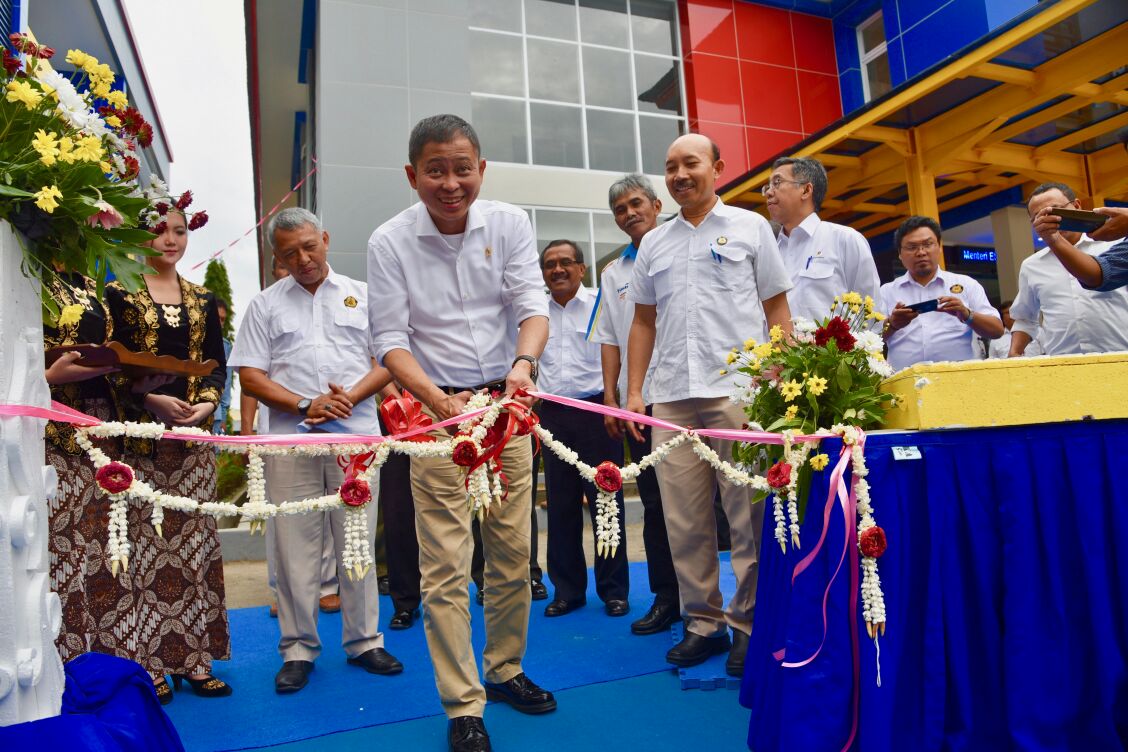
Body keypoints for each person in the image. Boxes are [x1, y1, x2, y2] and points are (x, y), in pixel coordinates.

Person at [367, 114, 553, 752]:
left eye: (462, 168)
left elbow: (532, 307)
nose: (451, 183)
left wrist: (523, 367)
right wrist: (437, 401)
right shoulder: (389, 241)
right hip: (436, 414)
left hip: (507, 407)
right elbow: (390, 340)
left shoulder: (509, 223)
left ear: (481, 168)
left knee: (511, 553)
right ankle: (461, 703)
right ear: (412, 175)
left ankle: (505, 668)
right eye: (436, 171)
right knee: (445, 565)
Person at [625, 133, 793, 678]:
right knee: (685, 519)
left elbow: (777, 308)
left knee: (746, 514)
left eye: (689, 163)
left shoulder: (751, 228)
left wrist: (778, 372)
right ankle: (703, 622)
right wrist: (633, 393)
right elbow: (643, 321)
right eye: (669, 166)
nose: (678, 175)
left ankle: (747, 623)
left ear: (717, 168)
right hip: (670, 395)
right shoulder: (654, 243)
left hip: (737, 390)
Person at [230, 207, 402, 695]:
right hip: (291, 441)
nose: (303, 258)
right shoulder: (264, 305)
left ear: (325, 238)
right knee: (294, 550)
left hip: (355, 438)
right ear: (276, 257)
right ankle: (298, 649)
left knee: (357, 544)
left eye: (310, 246)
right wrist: (308, 402)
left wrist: (349, 397)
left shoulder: (365, 296)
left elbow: (388, 359)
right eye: (290, 253)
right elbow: (251, 376)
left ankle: (365, 640)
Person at [105, 206, 232, 703]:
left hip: (191, 446)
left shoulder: (204, 298)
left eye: (179, 231)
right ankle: (150, 662)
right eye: (159, 230)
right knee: (144, 548)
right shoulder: (117, 294)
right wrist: (148, 397)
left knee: (194, 546)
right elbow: (107, 364)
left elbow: (216, 366)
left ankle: (196, 660)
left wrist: (205, 403)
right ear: (141, 236)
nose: (171, 240)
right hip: (138, 443)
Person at [590, 173, 680, 636]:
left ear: (657, 203)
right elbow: (609, 338)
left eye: (636, 203)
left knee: (709, 503)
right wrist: (611, 397)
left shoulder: (682, 247)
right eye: (620, 209)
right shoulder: (613, 272)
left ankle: (721, 602)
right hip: (638, 402)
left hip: (687, 395)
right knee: (655, 502)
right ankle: (668, 598)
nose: (629, 213)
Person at [241, 255, 339, 619]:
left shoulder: (342, 299)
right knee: (283, 521)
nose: (298, 266)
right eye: (285, 263)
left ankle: (327, 587)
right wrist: (247, 432)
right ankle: (281, 591)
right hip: (282, 433)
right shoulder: (264, 307)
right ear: (275, 268)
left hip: (337, 430)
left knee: (330, 515)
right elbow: (251, 381)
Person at [537, 239, 630, 619]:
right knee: (559, 506)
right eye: (549, 265)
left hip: (597, 412)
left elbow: (618, 352)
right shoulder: (534, 314)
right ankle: (567, 591)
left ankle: (614, 591)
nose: (557, 270)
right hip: (552, 415)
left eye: (565, 263)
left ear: (581, 268)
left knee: (608, 503)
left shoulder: (600, 304)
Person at [44, 273, 122, 663]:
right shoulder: (23, 270)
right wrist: (43, 379)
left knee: (100, 549)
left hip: (97, 428)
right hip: (45, 434)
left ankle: (103, 664)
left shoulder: (87, 281)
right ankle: (60, 664)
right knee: (57, 549)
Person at [1010, 182, 1128, 356]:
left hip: (1120, 357)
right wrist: (1014, 352)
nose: (1050, 219)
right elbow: (1025, 317)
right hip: (1064, 364)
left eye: (1056, 210)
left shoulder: (1115, 245)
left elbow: (1098, 275)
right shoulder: (1031, 266)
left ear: (1077, 206)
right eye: (1039, 216)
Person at [879, 216, 1003, 371]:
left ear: (939, 247)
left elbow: (997, 330)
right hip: (905, 383)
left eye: (927, 244)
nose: (921, 252)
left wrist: (966, 314)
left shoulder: (966, 284)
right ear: (899, 253)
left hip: (958, 381)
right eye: (912, 247)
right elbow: (869, 340)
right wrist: (893, 324)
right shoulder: (886, 292)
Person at [763, 156, 880, 321]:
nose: (768, 192)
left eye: (777, 183)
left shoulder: (845, 239)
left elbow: (870, 311)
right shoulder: (770, 251)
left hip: (834, 347)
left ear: (806, 190)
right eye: (767, 186)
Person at [1033, 206, 1128, 291]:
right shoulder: (1032, 264)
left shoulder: (1112, 242)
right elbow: (1101, 274)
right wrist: (1054, 240)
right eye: (1037, 217)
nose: (1046, 219)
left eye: (1055, 210)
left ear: (1076, 205)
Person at [212, 298, 234, 433]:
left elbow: (225, 386)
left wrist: (223, 418)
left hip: (215, 416)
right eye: (216, 318)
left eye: (223, 319)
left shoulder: (225, 346)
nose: (220, 323)